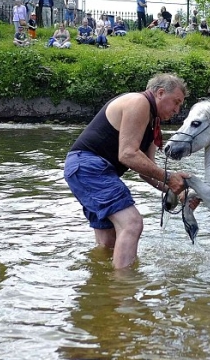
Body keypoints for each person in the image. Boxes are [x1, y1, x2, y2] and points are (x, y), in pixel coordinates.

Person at [63, 73, 192, 269]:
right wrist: (169, 178)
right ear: (160, 92)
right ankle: (125, 290)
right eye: (176, 102)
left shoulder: (152, 123)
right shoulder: (139, 102)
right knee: (132, 224)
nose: (177, 110)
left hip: (86, 169)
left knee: (108, 242)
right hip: (89, 166)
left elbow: (146, 171)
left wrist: (175, 190)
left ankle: (102, 289)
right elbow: (128, 155)